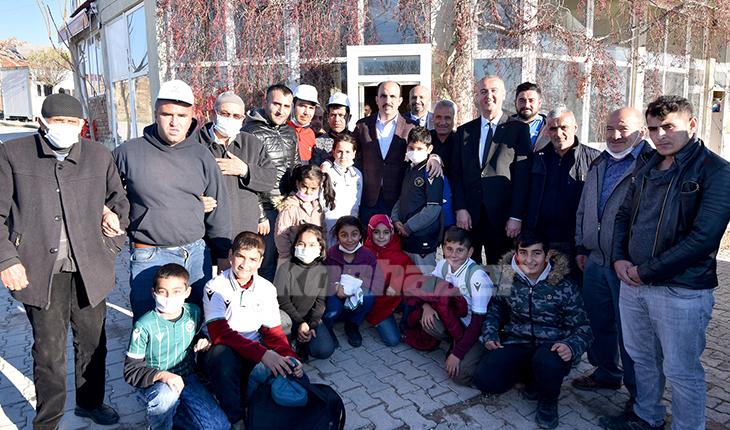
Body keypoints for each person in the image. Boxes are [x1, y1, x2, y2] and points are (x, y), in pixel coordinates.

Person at [0, 93, 129, 428]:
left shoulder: (98, 156)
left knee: (93, 343)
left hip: (90, 267)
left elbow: (119, 199)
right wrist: (7, 259)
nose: (67, 128)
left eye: (73, 122)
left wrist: (114, 226)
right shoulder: (13, 154)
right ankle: (48, 420)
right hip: (40, 271)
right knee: (49, 352)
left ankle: (90, 402)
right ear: (42, 122)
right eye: (59, 122)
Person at [601, 96, 730, 430]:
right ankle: (648, 416)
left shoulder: (716, 171)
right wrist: (619, 258)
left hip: (680, 291)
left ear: (692, 124)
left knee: (681, 370)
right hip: (633, 284)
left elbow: (703, 239)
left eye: (669, 127)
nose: (660, 136)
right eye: (654, 129)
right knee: (642, 358)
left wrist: (645, 271)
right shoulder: (646, 165)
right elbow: (624, 215)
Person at [114, 79, 231, 320]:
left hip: (195, 256)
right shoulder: (128, 153)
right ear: (156, 114)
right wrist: (113, 214)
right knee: (150, 325)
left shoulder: (201, 155)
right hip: (150, 257)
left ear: (192, 117)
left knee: (197, 323)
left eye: (181, 115)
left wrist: (222, 255)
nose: (174, 122)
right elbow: (106, 192)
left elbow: (219, 207)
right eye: (167, 114)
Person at [571, 107, 652, 412]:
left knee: (631, 333)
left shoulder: (651, 164)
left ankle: (640, 397)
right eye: (609, 129)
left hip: (627, 265)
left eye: (623, 129)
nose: (615, 135)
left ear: (641, 132)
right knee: (599, 321)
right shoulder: (599, 162)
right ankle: (606, 372)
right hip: (595, 260)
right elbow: (583, 208)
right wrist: (581, 246)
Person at [474, 231, 592, 429]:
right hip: (517, 342)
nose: (529, 260)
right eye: (523, 252)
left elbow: (583, 327)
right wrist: (490, 334)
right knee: (485, 380)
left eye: (536, 253)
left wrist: (571, 346)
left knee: (548, 363)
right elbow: (496, 309)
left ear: (547, 255)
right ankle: (531, 377)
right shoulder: (506, 277)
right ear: (516, 254)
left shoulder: (565, 285)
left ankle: (548, 402)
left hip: (551, 348)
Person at [202, 231, 304, 428]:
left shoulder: (266, 288)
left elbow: (273, 332)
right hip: (223, 349)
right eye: (240, 256)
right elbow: (219, 333)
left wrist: (290, 357)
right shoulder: (214, 286)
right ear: (230, 255)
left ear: (260, 261)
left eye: (252, 259)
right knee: (221, 356)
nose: (245, 264)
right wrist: (264, 354)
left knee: (291, 370)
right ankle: (236, 419)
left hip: (253, 348)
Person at [124, 264, 229, 430]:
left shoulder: (193, 312)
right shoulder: (144, 325)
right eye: (162, 292)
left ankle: (177, 412)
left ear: (187, 292)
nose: (169, 297)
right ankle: (158, 424)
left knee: (219, 426)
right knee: (165, 397)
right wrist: (162, 375)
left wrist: (202, 340)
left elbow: (194, 335)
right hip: (157, 383)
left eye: (176, 292)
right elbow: (131, 371)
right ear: (153, 293)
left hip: (188, 377)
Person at [451, 75, 532, 265]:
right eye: (483, 91)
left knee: (501, 273)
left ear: (503, 94)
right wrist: (460, 208)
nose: (488, 96)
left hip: (503, 219)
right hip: (469, 217)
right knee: (469, 271)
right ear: (477, 96)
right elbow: (456, 174)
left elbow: (522, 177)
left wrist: (516, 216)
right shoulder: (464, 132)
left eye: (494, 90)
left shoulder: (518, 129)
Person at [353, 81, 442, 225]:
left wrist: (434, 157)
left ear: (400, 100)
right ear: (376, 99)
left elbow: (424, 147)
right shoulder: (362, 126)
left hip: (398, 200)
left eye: (393, 96)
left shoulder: (411, 126)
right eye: (383, 96)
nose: (388, 101)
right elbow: (348, 150)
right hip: (368, 199)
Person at [525, 106, 600, 270]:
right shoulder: (537, 159)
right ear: (546, 131)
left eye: (563, 127)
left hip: (575, 243)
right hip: (542, 240)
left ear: (575, 128)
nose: (558, 134)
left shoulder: (595, 160)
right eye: (553, 128)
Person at [199, 91, 277, 246]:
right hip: (206, 233)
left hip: (244, 232)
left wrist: (245, 170)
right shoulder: (196, 144)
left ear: (243, 119)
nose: (230, 119)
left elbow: (270, 179)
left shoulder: (252, 144)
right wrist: (194, 201)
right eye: (225, 114)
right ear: (213, 114)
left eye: (236, 116)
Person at [419, 226, 493, 386]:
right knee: (428, 322)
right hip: (458, 321)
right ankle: (456, 341)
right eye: (449, 249)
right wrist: (426, 306)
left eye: (460, 250)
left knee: (460, 376)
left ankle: (482, 353)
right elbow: (429, 287)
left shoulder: (476, 277)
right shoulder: (443, 265)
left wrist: (457, 354)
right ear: (443, 248)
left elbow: (478, 322)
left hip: (478, 330)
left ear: (470, 252)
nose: (453, 255)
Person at [243, 84, 299, 281]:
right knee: (265, 263)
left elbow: (295, 165)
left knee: (287, 260)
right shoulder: (250, 133)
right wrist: (260, 215)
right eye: (276, 104)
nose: (280, 110)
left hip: (287, 206)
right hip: (266, 211)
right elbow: (246, 177)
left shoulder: (290, 132)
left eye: (286, 106)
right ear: (265, 103)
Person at [274, 224, 335, 360]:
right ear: (295, 245)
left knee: (325, 350)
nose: (306, 248)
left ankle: (303, 340)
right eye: (301, 244)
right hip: (288, 319)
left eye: (312, 245)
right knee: (282, 321)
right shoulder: (285, 268)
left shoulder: (323, 271)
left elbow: (320, 302)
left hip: (308, 320)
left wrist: (311, 325)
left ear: (320, 248)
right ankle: (290, 342)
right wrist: (300, 323)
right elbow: (282, 300)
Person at [391, 127, 444, 273]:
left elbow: (433, 208)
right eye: (411, 148)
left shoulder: (431, 170)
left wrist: (409, 227)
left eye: (419, 149)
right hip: (405, 238)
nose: (414, 152)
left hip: (422, 239)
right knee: (408, 280)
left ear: (429, 149)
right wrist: (395, 219)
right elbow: (402, 198)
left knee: (425, 280)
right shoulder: (409, 169)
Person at [323, 216, 378, 347]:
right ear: (337, 236)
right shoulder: (331, 254)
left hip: (356, 293)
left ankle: (352, 325)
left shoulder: (368, 255)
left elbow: (375, 280)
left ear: (360, 235)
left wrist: (356, 286)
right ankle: (328, 327)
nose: (349, 239)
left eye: (354, 234)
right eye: (344, 235)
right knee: (333, 306)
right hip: (336, 294)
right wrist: (336, 288)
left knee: (369, 296)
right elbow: (324, 280)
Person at [364, 214, 414, 346]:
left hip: (395, 299)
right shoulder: (364, 252)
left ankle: (406, 325)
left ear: (392, 232)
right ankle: (375, 318)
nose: (381, 236)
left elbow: (414, 276)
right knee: (392, 340)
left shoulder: (398, 252)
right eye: (376, 232)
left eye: (386, 232)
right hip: (378, 304)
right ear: (370, 232)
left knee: (413, 294)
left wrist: (397, 283)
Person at [274, 164, 334, 263]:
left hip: (314, 259)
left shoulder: (318, 207)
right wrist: (287, 257)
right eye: (304, 187)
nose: (308, 192)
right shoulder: (289, 206)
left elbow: (323, 231)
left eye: (313, 188)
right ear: (298, 183)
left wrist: (322, 251)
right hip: (292, 259)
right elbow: (281, 235)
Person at [323, 134, 362, 246]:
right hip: (329, 227)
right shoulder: (326, 173)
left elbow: (357, 204)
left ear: (354, 153)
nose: (343, 156)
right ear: (333, 152)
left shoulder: (357, 174)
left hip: (351, 229)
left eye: (348, 152)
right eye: (339, 151)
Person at [312, 92, 351, 167]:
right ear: (328, 117)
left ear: (349, 117)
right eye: (333, 115)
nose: (336, 119)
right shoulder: (319, 142)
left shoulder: (356, 140)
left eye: (341, 115)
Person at [509, 82, 548, 150]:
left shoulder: (549, 127)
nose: (526, 105)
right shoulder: (504, 126)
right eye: (522, 100)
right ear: (515, 102)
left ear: (539, 103)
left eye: (531, 100)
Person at [288, 84, 319, 162]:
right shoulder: (282, 129)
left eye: (311, 108)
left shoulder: (311, 133)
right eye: (302, 106)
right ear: (293, 106)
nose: (306, 112)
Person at [430, 99, 457, 180]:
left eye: (447, 118)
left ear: (455, 119)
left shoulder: (462, 141)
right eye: (438, 117)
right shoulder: (425, 139)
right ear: (433, 118)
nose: (442, 122)